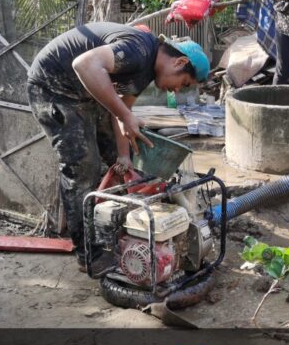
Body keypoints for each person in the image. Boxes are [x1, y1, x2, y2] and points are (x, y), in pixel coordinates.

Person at [26, 22, 210, 274]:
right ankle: (88, 253)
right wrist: (125, 116)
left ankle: (121, 231)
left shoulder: (146, 71)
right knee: (82, 167)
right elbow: (84, 64)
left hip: (83, 92)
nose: (177, 90)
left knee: (121, 160)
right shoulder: (139, 50)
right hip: (54, 87)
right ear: (178, 62)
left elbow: (121, 110)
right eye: (184, 83)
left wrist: (123, 155)